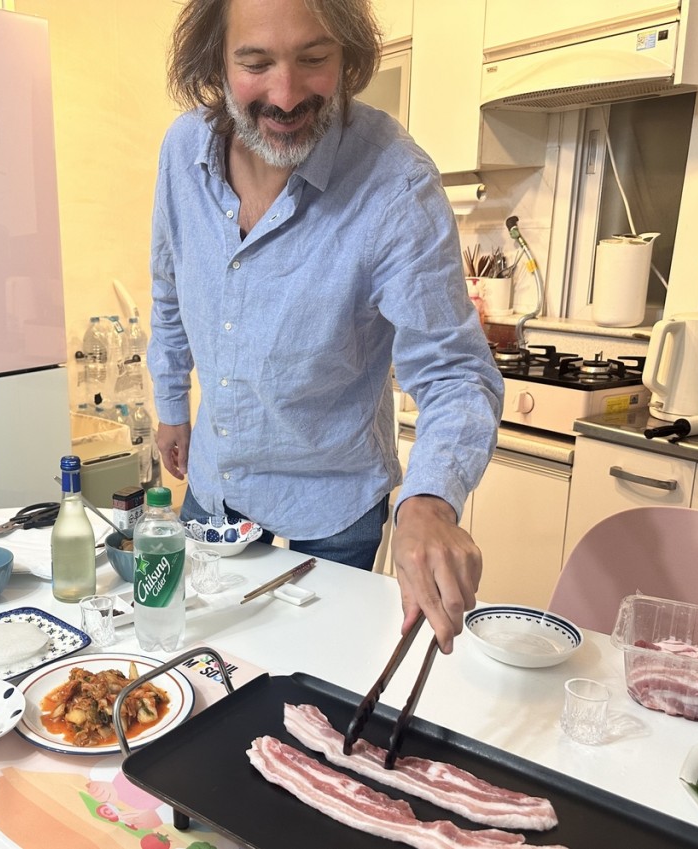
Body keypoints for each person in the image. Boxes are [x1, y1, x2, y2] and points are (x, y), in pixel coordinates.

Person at [148, 0, 503, 653]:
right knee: (191, 663)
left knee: (305, 683)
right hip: (215, 482)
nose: (286, 96)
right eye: (256, 63)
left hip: (334, 505)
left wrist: (429, 499)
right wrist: (172, 402)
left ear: (348, 56)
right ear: (216, 63)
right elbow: (169, 284)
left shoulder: (397, 184)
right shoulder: (182, 153)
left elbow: (456, 374)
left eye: (314, 59)